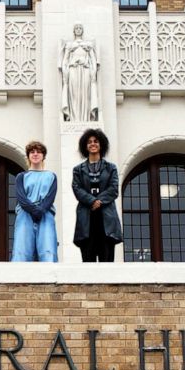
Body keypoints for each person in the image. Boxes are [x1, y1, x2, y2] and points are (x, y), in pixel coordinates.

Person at [72, 128, 122, 261]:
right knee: (88, 259)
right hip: (87, 218)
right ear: (85, 146)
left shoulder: (111, 168)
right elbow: (77, 188)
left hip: (106, 218)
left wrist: (98, 201)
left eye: (96, 141)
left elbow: (113, 188)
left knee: (107, 258)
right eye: (89, 142)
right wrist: (91, 201)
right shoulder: (78, 170)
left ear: (101, 145)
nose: (92, 144)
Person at [12, 141, 58, 262]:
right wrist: (33, 210)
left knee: (48, 249)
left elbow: (50, 197)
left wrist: (41, 210)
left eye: (39, 152)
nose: (35, 154)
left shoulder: (51, 176)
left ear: (43, 156)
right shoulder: (21, 176)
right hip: (25, 214)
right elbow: (21, 197)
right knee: (22, 250)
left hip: (45, 213)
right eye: (32, 152)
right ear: (28, 156)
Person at [58, 22, 100, 122]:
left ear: (82, 30)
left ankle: (85, 118)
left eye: (80, 28)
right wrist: (65, 74)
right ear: (74, 31)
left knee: (85, 94)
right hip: (73, 70)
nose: (78, 29)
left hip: (85, 70)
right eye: (76, 28)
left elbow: (93, 59)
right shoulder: (70, 45)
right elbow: (65, 60)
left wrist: (93, 72)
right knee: (74, 95)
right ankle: (74, 118)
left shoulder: (88, 45)